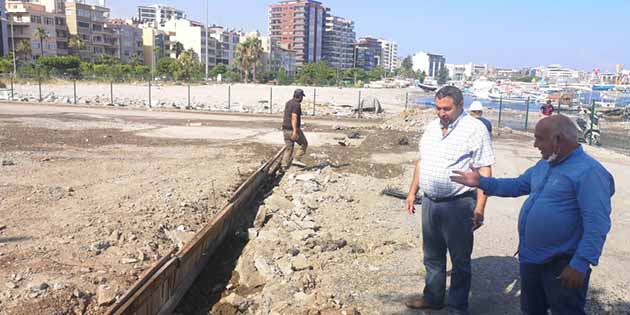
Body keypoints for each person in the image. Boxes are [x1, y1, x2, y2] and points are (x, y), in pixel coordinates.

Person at [450, 115, 614, 315]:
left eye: (539, 138)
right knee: (532, 310)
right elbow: (518, 185)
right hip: (532, 259)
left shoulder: (590, 172)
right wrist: (481, 182)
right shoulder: (545, 164)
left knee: (566, 310)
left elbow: (596, 224)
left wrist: (581, 263)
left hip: (562, 262)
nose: (535, 144)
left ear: (558, 140)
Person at [404, 86, 495, 315]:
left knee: (460, 260)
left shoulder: (475, 129)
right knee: (432, 255)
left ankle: (457, 307)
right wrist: (412, 191)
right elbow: (421, 161)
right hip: (430, 202)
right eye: (438, 108)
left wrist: (480, 207)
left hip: (459, 204)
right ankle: (433, 298)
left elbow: (485, 168)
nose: (441, 113)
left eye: (446, 109)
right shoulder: (432, 128)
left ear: (460, 106)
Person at [281, 89, 308, 171]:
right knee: (304, 143)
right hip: (292, 129)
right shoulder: (296, 105)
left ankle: (284, 166)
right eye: (302, 97)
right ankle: (297, 159)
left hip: (285, 129)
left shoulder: (288, 102)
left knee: (289, 148)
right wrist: (295, 131)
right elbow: (294, 117)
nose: (302, 99)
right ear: (299, 96)